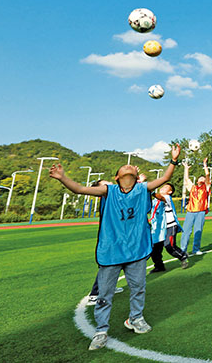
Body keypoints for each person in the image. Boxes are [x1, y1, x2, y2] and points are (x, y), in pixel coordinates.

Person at [48, 144, 182, 351]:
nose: (128, 167)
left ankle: (136, 318)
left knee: (138, 288)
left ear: (136, 177)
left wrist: (173, 160)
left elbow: (164, 179)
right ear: (117, 177)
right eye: (123, 167)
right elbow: (80, 189)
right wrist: (62, 177)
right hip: (111, 251)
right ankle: (101, 330)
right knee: (105, 293)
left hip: (136, 250)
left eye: (131, 167)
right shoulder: (107, 191)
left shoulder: (141, 189)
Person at [150, 183, 188, 272]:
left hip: (170, 226)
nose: (162, 188)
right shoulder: (155, 201)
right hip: (159, 228)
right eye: (162, 187)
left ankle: (182, 255)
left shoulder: (167, 198)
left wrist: (151, 191)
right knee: (155, 249)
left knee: (169, 246)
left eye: (166, 187)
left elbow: (161, 198)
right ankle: (159, 266)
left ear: (170, 192)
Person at [181, 158, 211, 255]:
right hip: (191, 211)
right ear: (197, 180)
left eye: (203, 178)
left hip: (201, 211)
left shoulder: (205, 187)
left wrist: (204, 165)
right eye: (200, 178)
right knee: (186, 231)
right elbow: (186, 179)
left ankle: (196, 249)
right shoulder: (192, 187)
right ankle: (183, 250)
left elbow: (207, 175)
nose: (202, 179)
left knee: (198, 231)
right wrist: (186, 168)